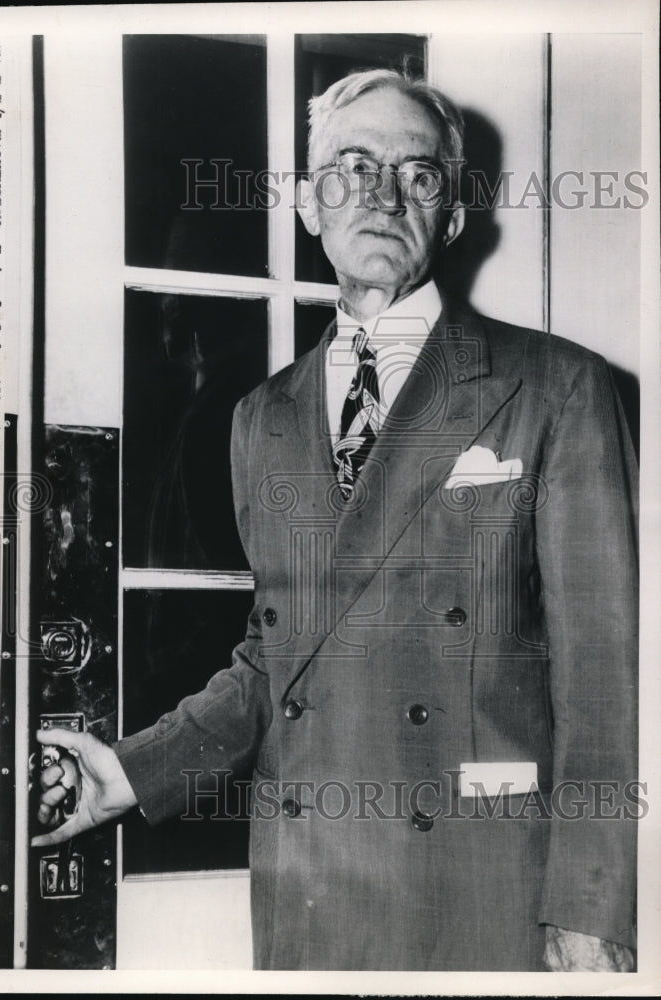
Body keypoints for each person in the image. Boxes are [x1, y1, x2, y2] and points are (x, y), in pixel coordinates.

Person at [33, 69, 638, 972]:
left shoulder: (556, 387)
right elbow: (279, 656)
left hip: (482, 882)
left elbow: (604, 676)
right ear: (311, 204)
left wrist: (592, 908)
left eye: (419, 174)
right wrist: (125, 773)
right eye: (352, 166)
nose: (384, 195)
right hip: (310, 880)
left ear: (455, 213)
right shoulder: (260, 418)